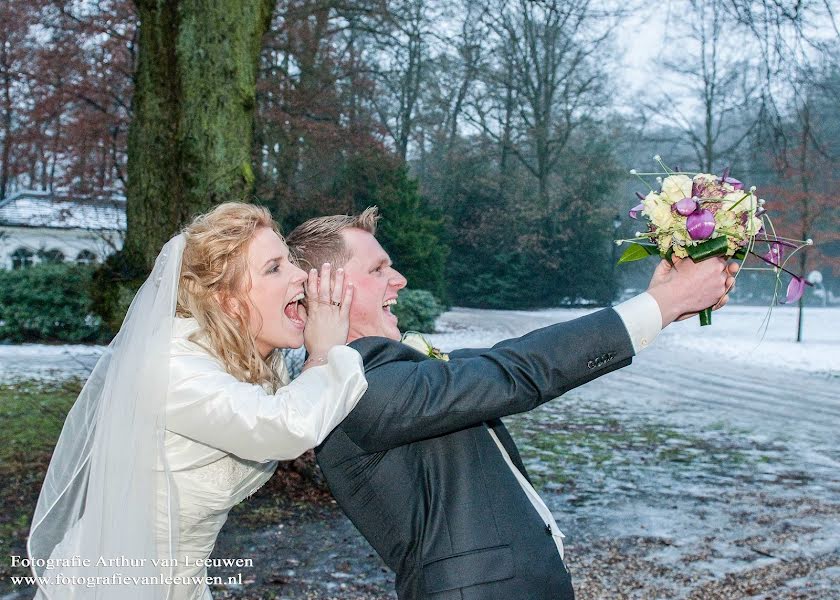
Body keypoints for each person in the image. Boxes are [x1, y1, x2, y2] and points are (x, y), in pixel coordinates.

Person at [286, 207, 738, 600]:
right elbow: (515, 370)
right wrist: (662, 300)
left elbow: (501, 358)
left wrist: (665, 309)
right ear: (330, 288)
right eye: (379, 269)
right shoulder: (348, 386)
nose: (399, 278)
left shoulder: (391, 374)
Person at [27, 203, 368, 600]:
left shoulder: (256, 365)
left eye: (291, 262)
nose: (302, 276)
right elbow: (284, 427)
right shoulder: (169, 365)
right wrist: (325, 354)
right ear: (226, 300)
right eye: (275, 268)